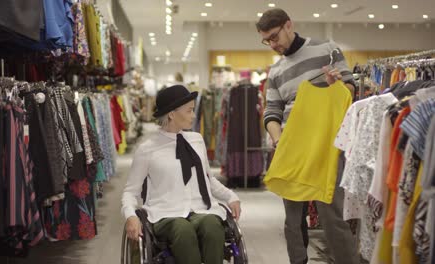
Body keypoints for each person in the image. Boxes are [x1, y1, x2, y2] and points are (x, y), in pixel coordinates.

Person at [256, 8, 359, 264]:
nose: (272, 45)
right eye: (266, 41)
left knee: (332, 214)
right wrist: (279, 140)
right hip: (292, 147)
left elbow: (350, 91)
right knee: (293, 220)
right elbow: (271, 112)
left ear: (289, 25)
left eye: (274, 37)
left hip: (326, 145)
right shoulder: (276, 71)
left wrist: (335, 84)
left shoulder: (327, 49)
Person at [121, 85, 241, 264]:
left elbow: (208, 180)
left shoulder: (197, 140)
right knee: (182, 229)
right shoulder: (147, 149)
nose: (194, 115)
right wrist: (130, 215)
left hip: (200, 209)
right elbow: (130, 191)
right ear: (171, 114)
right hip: (164, 214)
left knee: (213, 226)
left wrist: (231, 196)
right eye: (189, 111)